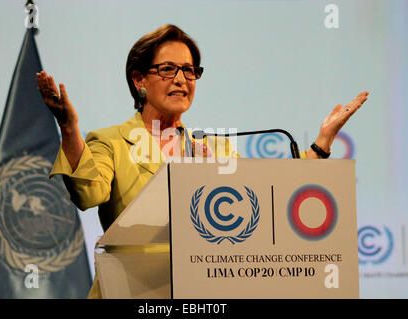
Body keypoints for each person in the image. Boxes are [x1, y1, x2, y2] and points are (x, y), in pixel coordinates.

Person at [36, 24, 368, 298]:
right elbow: (88, 194)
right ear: (139, 80)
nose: (181, 79)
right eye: (168, 69)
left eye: (190, 70)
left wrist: (322, 143)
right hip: (131, 292)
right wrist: (68, 127)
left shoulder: (216, 149)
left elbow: (272, 204)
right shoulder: (110, 141)